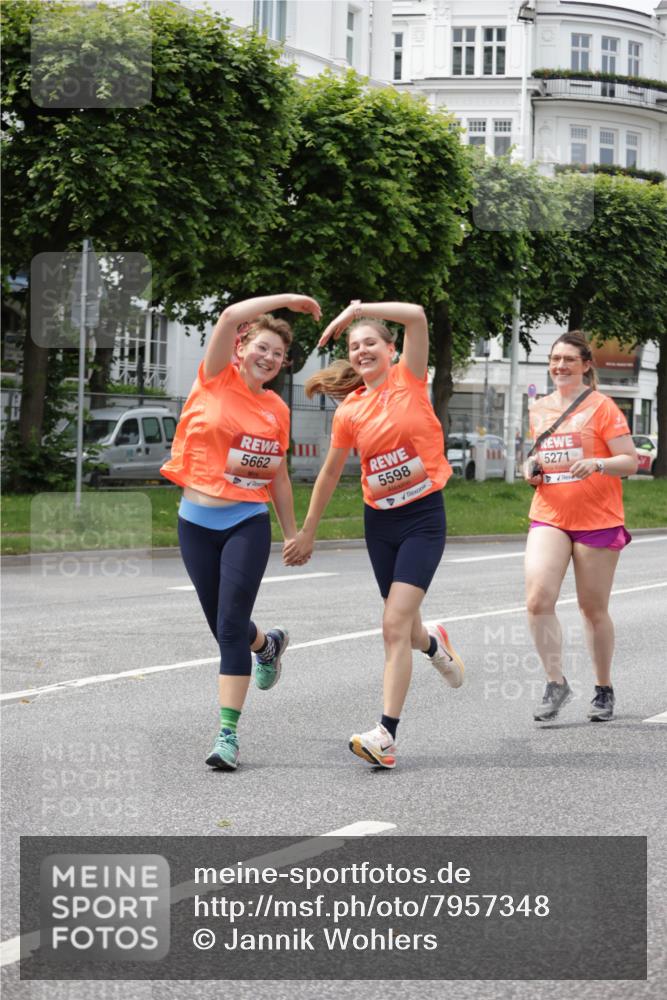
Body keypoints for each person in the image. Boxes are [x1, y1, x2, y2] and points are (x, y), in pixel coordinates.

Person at [284, 301, 465, 770]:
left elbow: (418, 316)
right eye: (353, 346)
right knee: (405, 628)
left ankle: (385, 736)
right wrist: (307, 532)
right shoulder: (351, 411)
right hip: (380, 523)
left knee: (391, 626)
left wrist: (355, 311)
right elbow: (327, 475)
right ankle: (433, 645)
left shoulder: (411, 378)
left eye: (370, 342)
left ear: (391, 350)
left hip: (423, 518)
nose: (361, 350)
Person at [161, 293, 321, 770]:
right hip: (195, 520)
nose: (269, 358)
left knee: (229, 626)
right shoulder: (213, 378)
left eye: (278, 354)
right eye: (262, 347)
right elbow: (230, 315)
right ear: (241, 347)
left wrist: (294, 532)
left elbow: (276, 474)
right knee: (221, 625)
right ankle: (266, 645)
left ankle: (227, 734)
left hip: (246, 522)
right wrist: (290, 300)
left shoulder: (276, 409)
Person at [524, 331, 638, 724]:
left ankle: (603, 688)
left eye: (569, 359)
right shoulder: (538, 408)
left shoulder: (603, 407)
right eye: (555, 359)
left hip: (597, 519)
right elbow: (538, 456)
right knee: (538, 599)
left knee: (592, 609)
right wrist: (531, 471)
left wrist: (600, 464)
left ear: (586, 365)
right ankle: (555, 683)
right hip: (550, 513)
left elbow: (631, 460)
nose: (560, 366)